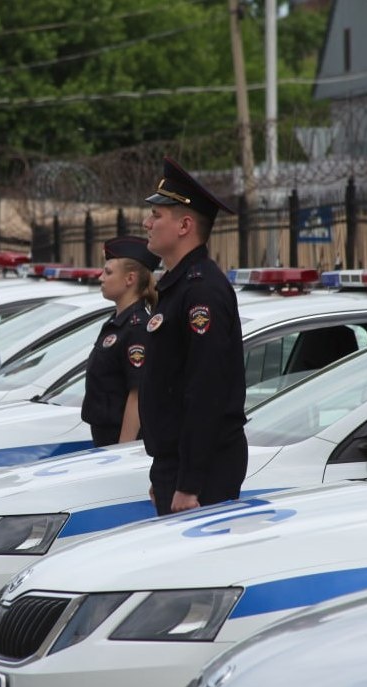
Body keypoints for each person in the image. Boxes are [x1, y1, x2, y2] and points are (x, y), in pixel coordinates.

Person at [139, 157, 247, 516]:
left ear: (185, 225)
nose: (146, 223)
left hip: (204, 470)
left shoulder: (202, 291)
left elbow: (206, 390)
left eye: (156, 216)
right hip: (179, 463)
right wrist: (166, 471)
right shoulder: (180, 285)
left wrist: (189, 483)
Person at [81, 235, 159, 447]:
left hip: (118, 441)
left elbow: (137, 394)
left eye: (108, 272)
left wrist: (122, 450)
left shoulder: (137, 328)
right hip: (105, 438)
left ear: (130, 279)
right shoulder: (118, 321)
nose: (101, 278)